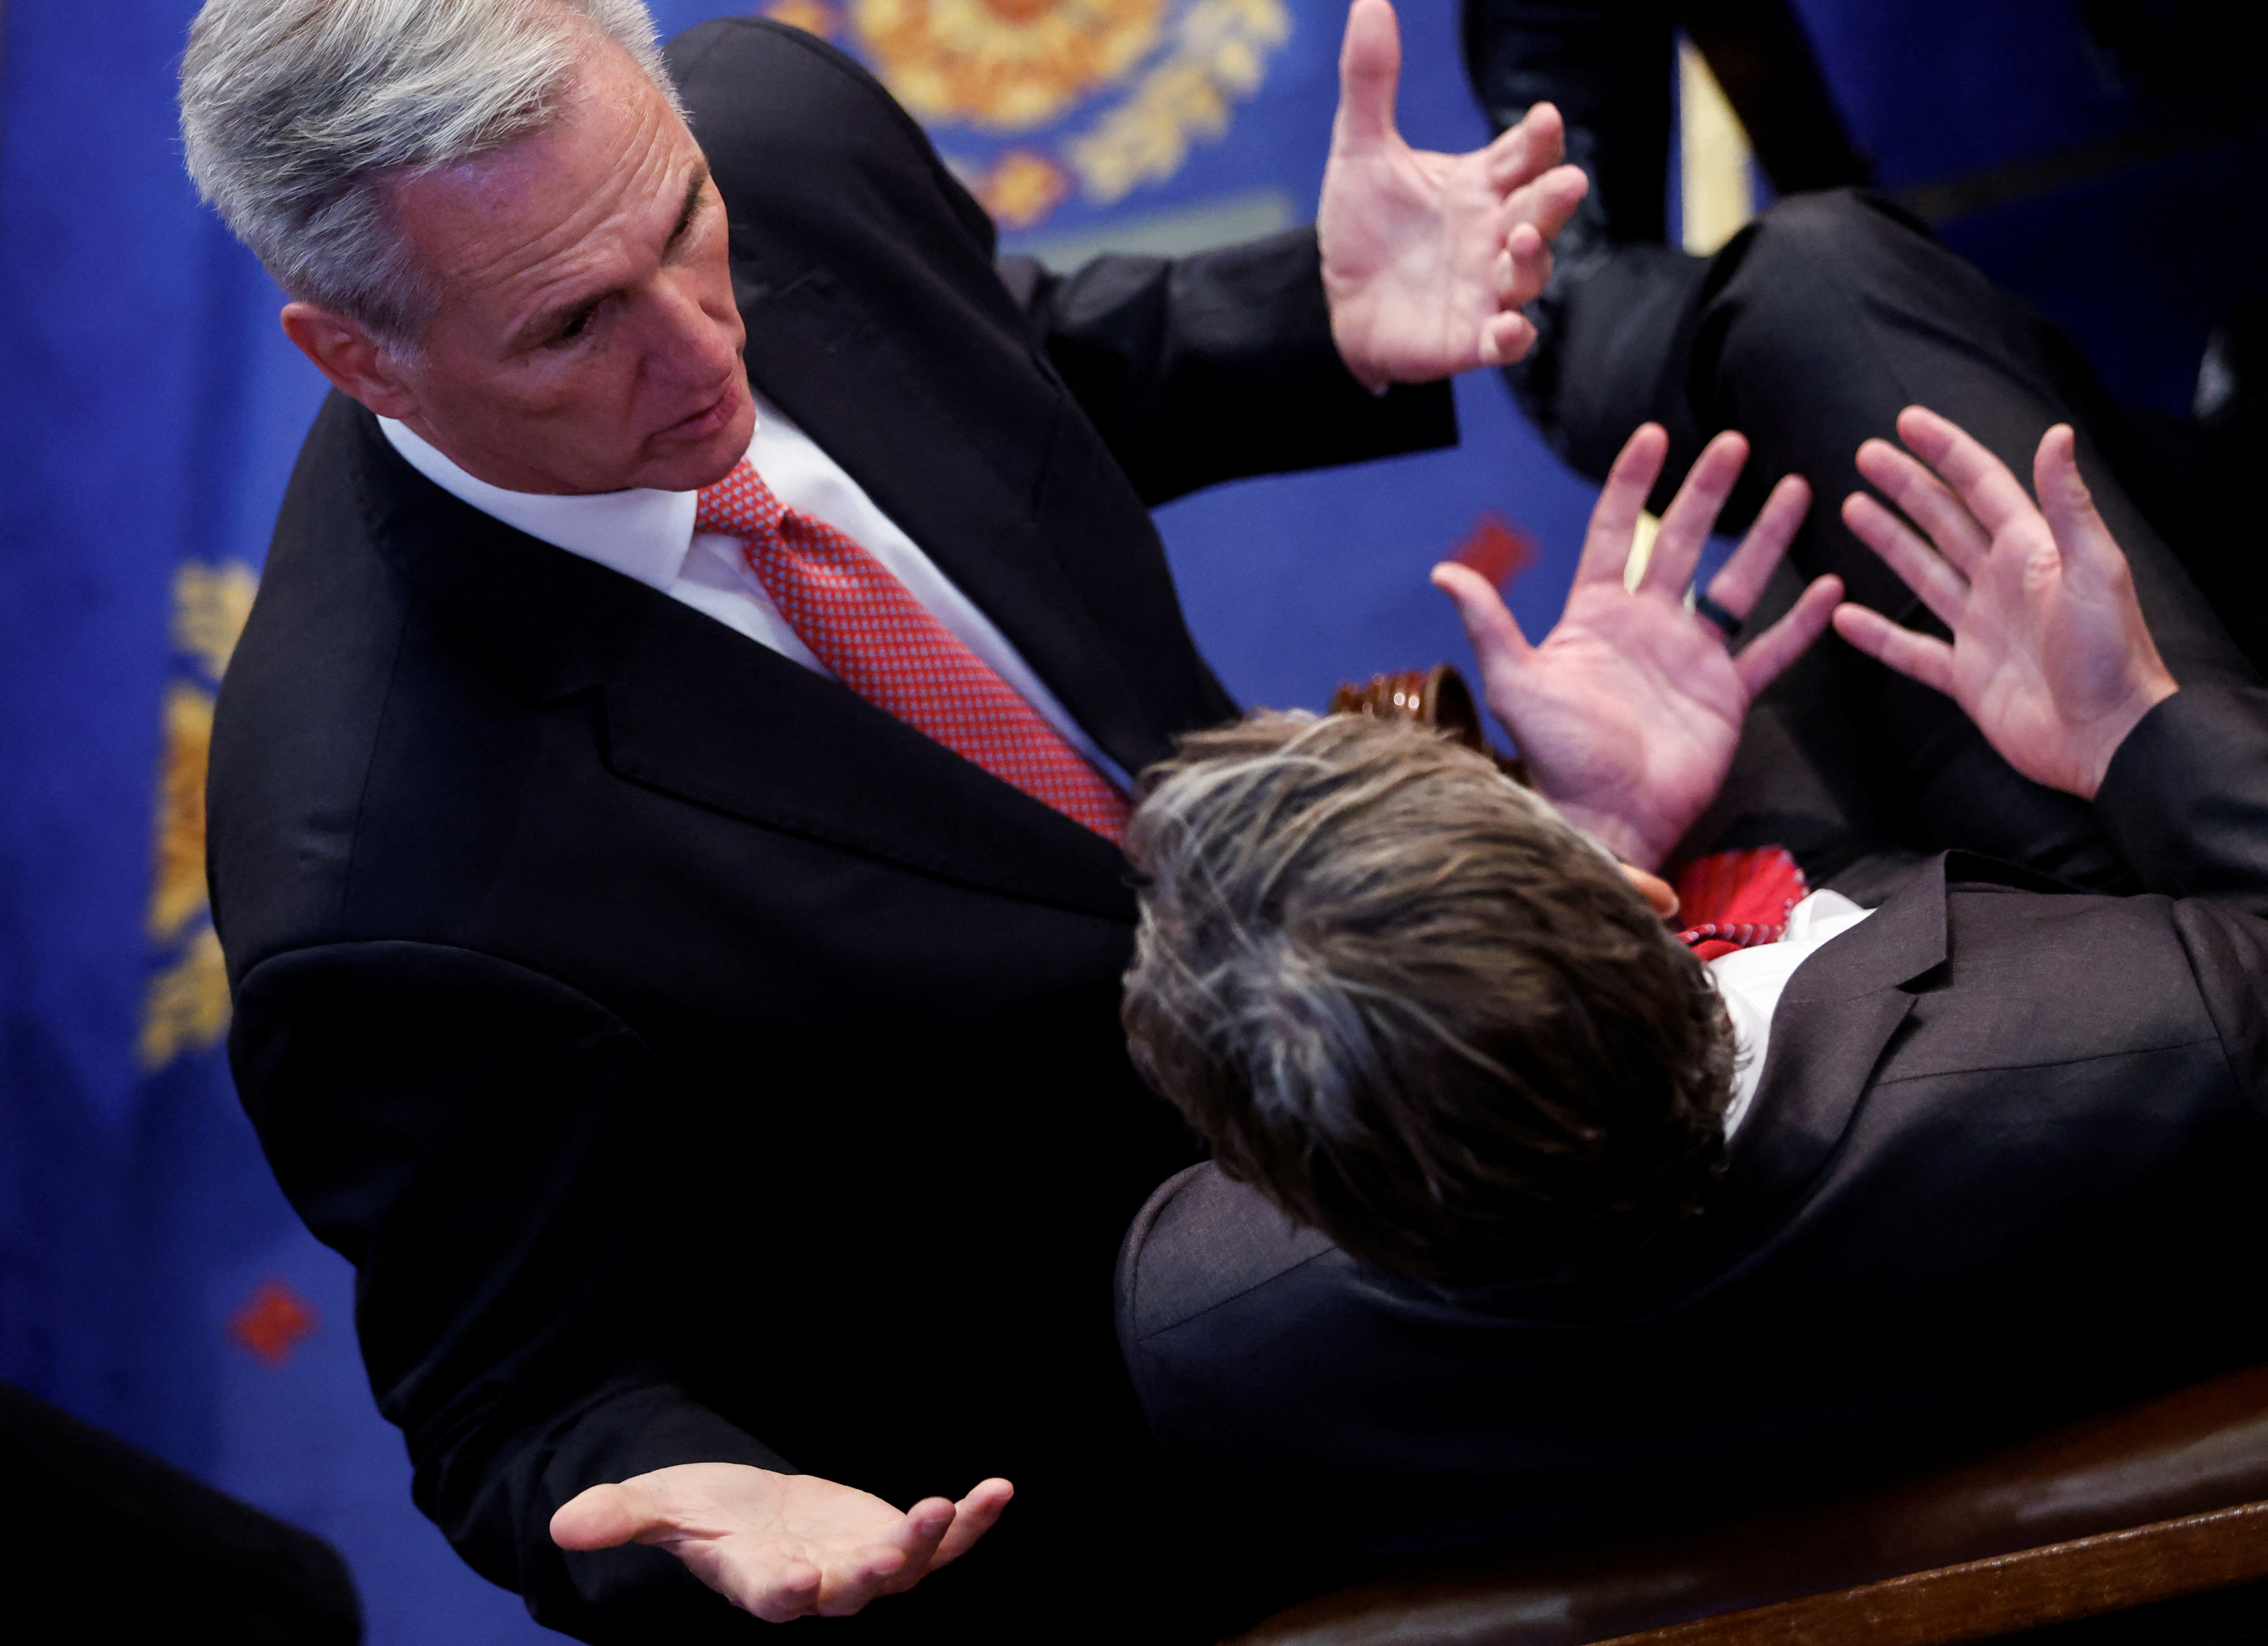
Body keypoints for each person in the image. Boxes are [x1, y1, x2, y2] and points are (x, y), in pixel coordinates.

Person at [182, 0, 1588, 1638]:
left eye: (684, 231)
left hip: (1418, 1107)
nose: (709, 353)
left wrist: (1317, 316)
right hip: (1147, 1470)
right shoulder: (384, 883)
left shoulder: (773, 132)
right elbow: (516, 1398)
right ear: (361, 356)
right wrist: (694, 1491)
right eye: (572, 329)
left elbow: (988, 367)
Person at [1113, 403, 2268, 1590]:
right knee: (1825, 320)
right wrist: (2129, 725)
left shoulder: (1199, 1333)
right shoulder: (2147, 1041)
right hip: (2005, 1049)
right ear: (1644, 900)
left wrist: (1551, 891)